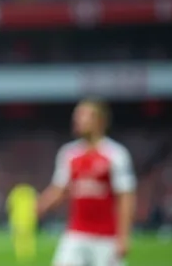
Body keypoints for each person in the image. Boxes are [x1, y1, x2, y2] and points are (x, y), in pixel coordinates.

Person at [38, 99, 136, 266]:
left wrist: (124, 236)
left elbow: (126, 197)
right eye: (76, 116)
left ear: (100, 121)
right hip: (76, 234)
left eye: (83, 115)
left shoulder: (116, 155)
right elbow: (59, 190)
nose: (77, 120)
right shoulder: (69, 154)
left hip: (106, 238)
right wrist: (39, 206)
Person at [6, 182, 38, 263]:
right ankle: (29, 253)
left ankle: (21, 253)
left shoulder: (15, 192)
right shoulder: (31, 191)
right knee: (28, 236)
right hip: (29, 217)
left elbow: (9, 205)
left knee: (19, 237)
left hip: (18, 217)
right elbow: (37, 203)